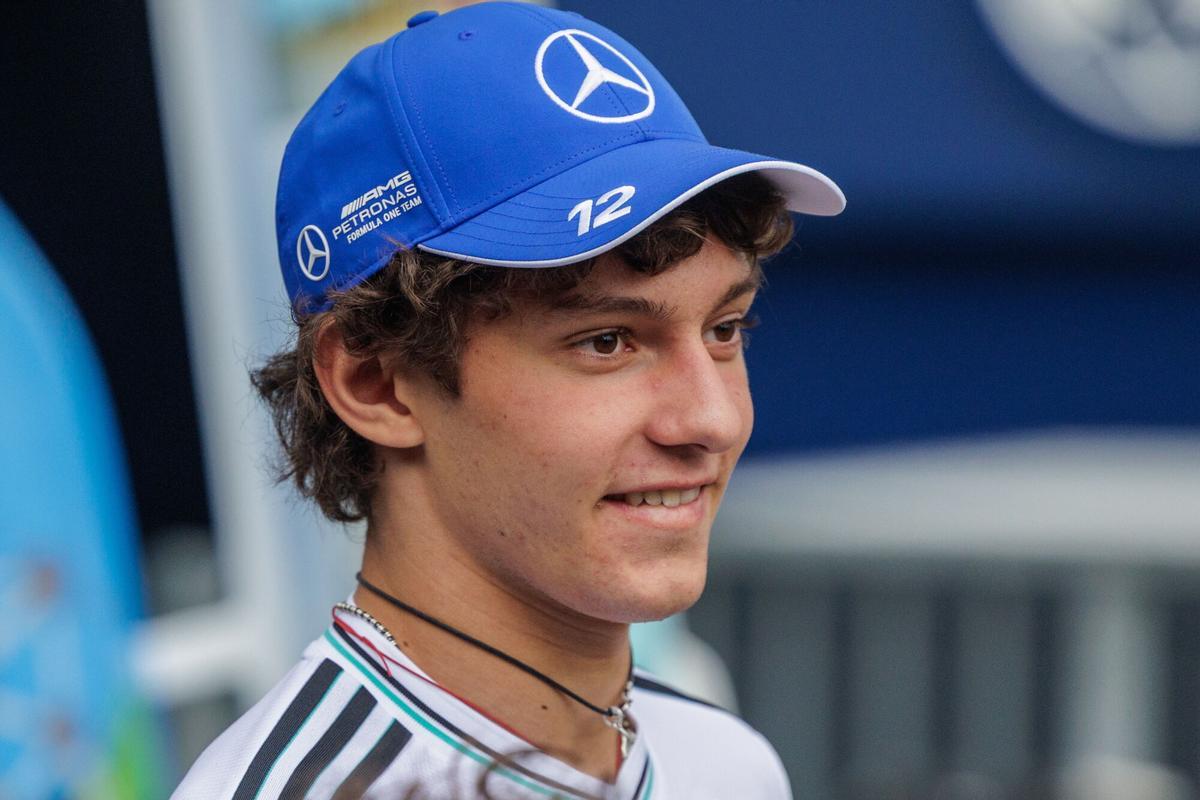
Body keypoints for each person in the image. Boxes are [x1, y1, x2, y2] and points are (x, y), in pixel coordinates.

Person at [173, 2, 844, 798]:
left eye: (725, 329)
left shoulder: (727, 764)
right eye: (607, 342)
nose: (712, 419)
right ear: (374, 383)